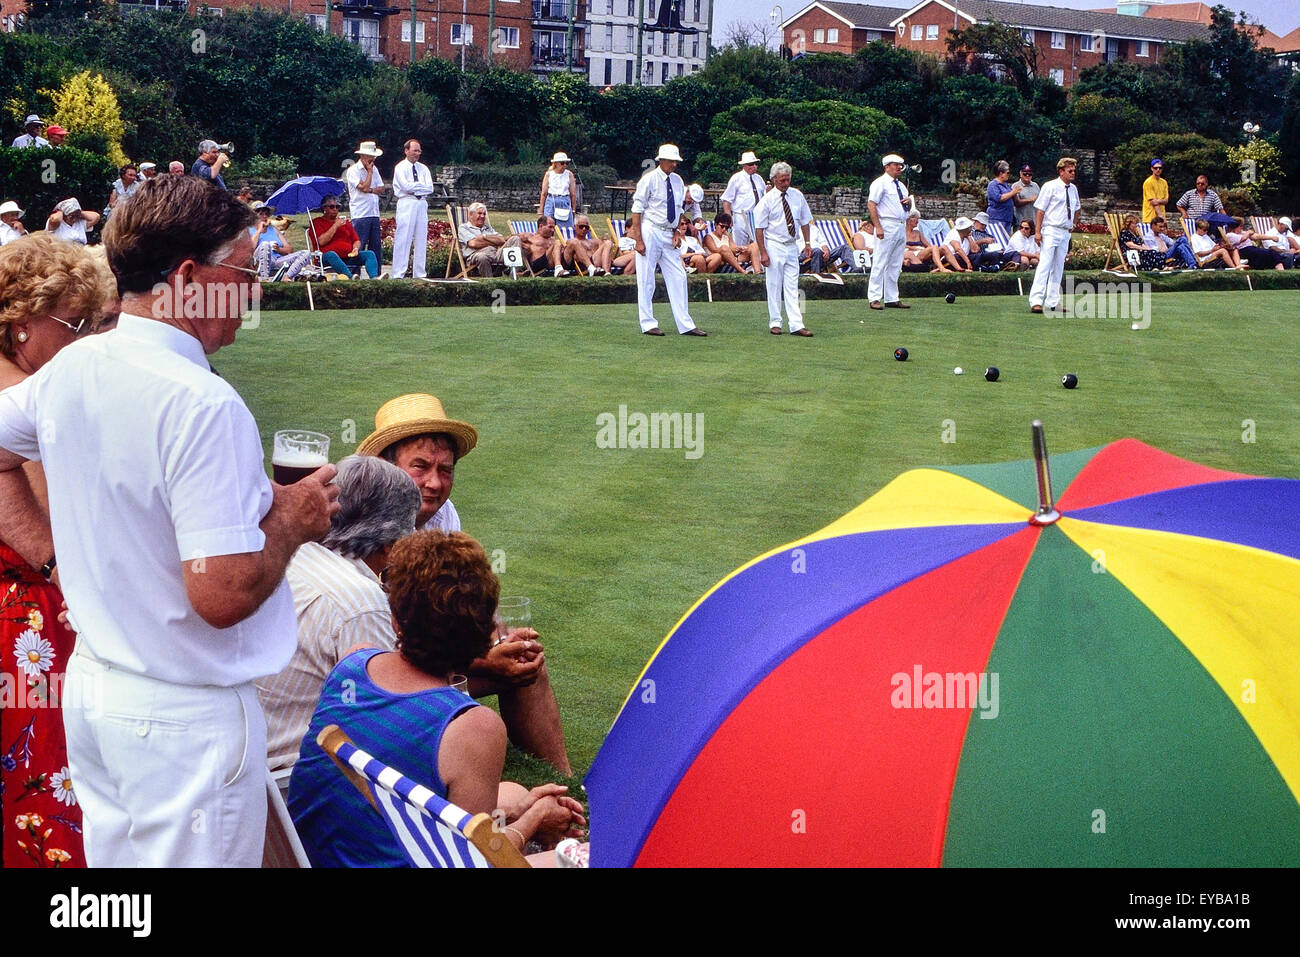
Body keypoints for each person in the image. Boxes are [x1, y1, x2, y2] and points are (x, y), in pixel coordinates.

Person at [0, 174, 340, 867]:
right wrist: (298, 516)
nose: (257, 288)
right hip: (185, 718)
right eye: (246, 269)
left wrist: (55, 561)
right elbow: (221, 593)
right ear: (189, 277)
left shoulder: (78, 363)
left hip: (99, 691)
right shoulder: (201, 403)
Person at [288, 531, 585, 867]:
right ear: (483, 631)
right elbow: (467, 861)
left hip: (312, 857)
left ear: (396, 619)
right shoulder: (473, 727)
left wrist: (518, 811)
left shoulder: (353, 665)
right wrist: (532, 823)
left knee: (514, 793)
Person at [357, 393, 572, 774]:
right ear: (385, 468)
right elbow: (384, 649)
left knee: (524, 660)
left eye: (446, 470)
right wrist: (484, 658)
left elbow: (457, 607)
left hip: (423, 662)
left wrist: (498, 642)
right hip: (373, 686)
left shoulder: (443, 515)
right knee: (497, 677)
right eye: (419, 467)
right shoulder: (364, 529)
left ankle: (565, 787)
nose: (435, 483)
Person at [0, 233, 116, 870]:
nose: (84, 342)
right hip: (30, 624)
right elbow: (53, 522)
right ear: (21, 324)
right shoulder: (20, 397)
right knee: (45, 784)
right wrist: (64, 570)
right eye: (74, 325)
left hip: (25, 619)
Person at [258, 455, 420, 771]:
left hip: (247, 767)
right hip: (297, 781)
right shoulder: (360, 603)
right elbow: (383, 728)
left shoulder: (290, 553)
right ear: (390, 542)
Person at [629, 144, 705, 337]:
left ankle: (685, 324)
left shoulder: (678, 181)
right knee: (646, 279)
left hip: (669, 233)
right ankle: (647, 323)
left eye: (676, 161)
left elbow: (678, 208)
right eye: (671, 161)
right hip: (651, 230)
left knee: (679, 277)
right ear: (660, 160)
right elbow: (637, 210)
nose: (674, 164)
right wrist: (638, 239)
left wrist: (678, 232)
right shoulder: (649, 180)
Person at [754, 161, 814, 336]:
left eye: (788, 180)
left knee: (792, 285)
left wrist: (808, 243)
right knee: (773, 284)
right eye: (782, 180)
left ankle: (796, 324)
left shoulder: (797, 196)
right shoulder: (766, 201)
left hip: (791, 246)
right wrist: (763, 252)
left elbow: (804, 221)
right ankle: (775, 322)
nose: (786, 184)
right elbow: (759, 229)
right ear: (774, 180)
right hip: (774, 245)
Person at [1028, 157, 1080, 314]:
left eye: (1074, 171)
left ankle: (1053, 302)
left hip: (1065, 231)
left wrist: (1073, 224)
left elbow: (1077, 208)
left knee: (1059, 267)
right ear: (1061, 171)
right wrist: (1037, 232)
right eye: (1070, 171)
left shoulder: (1073, 189)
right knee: (1045, 264)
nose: (1073, 173)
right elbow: (1040, 210)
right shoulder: (1050, 186)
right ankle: (1036, 301)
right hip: (1051, 229)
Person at [866, 153, 914, 310]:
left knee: (895, 263)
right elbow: (872, 204)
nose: (899, 167)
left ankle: (892, 297)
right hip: (886, 224)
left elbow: (906, 209)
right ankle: (874, 297)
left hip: (900, 225)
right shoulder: (880, 183)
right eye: (895, 164)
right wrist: (878, 226)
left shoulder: (901, 186)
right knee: (880, 261)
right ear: (887, 167)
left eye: (900, 165)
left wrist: (908, 204)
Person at [391, 139, 434, 279]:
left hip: (421, 203)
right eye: (415, 150)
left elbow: (430, 188)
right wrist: (419, 186)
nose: (417, 153)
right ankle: (398, 274)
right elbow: (406, 187)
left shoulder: (424, 168)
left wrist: (416, 186)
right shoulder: (400, 168)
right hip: (407, 202)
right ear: (406, 151)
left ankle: (420, 274)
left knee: (421, 238)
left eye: (419, 151)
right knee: (403, 238)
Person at [310, 198, 380, 279]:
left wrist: (356, 248)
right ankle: (350, 278)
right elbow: (321, 241)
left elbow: (356, 240)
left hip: (348, 256)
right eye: (332, 207)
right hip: (326, 258)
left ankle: (374, 278)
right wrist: (335, 226)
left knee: (369, 254)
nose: (335, 209)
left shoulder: (345, 222)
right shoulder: (317, 222)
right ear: (324, 208)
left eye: (338, 207)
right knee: (332, 255)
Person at [457, 202, 524, 278]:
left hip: (495, 253)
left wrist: (484, 237)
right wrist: (493, 241)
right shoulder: (464, 227)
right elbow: (473, 244)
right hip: (476, 255)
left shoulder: (488, 228)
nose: (482, 216)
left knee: (515, 239)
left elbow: (502, 240)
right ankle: (490, 282)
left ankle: (513, 276)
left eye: (484, 214)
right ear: (471, 214)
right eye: (479, 213)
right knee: (482, 257)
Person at [345, 141, 385, 264]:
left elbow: (381, 188)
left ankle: (376, 275)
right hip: (360, 214)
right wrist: (369, 173)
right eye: (370, 156)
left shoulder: (375, 169)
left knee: (376, 247)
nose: (373, 158)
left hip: (373, 213)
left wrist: (370, 190)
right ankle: (353, 273)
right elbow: (363, 188)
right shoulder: (353, 170)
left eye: (373, 156)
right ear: (362, 156)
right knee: (358, 246)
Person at [250, 202, 312, 281]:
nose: (265, 216)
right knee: (265, 245)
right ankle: (264, 279)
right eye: (261, 214)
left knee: (306, 253)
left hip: (277, 260)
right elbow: (250, 249)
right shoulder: (249, 230)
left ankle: (287, 277)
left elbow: (289, 249)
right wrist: (259, 231)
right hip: (258, 261)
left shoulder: (273, 229)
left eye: (266, 214)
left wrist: (278, 249)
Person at [721, 150, 765, 248]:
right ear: (744, 165)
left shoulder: (759, 179)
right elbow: (727, 200)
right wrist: (729, 217)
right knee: (741, 245)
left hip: (757, 215)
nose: (754, 166)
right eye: (750, 164)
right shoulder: (736, 178)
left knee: (759, 243)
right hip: (742, 215)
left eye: (755, 164)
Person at [538, 152, 579, 226]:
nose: (565, 165)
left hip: (564, 201)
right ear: (556, 163)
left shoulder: (569, 174)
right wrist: (541, 212)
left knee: (566, 227)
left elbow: (573, 194)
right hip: (551, 201)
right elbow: (543, 194)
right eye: (562, 163)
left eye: (566, 163)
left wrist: (573, 210)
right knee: (547, 226)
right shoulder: (549, 174)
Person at [985, 160, 1022, 232]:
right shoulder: (993, 185)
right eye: (1007, 173)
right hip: (997, 219)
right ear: (1001, 173)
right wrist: (1013, 192)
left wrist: (1015, 193)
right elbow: (999, 198)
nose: (1008, 175)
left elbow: (1012, 198)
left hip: (1007, 219)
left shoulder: (1006, 185)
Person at [1141, 158, 1169, 224]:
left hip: (1160, 216)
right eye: (1155, 168)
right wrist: (1161, 216)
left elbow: (1166, 200)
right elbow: (1153, 202)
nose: (1158, 170)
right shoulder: (1148, 182)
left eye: (1160, 168)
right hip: (1150, 217)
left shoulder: (1164, 182)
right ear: (1152, 169)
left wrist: (1158, 201)